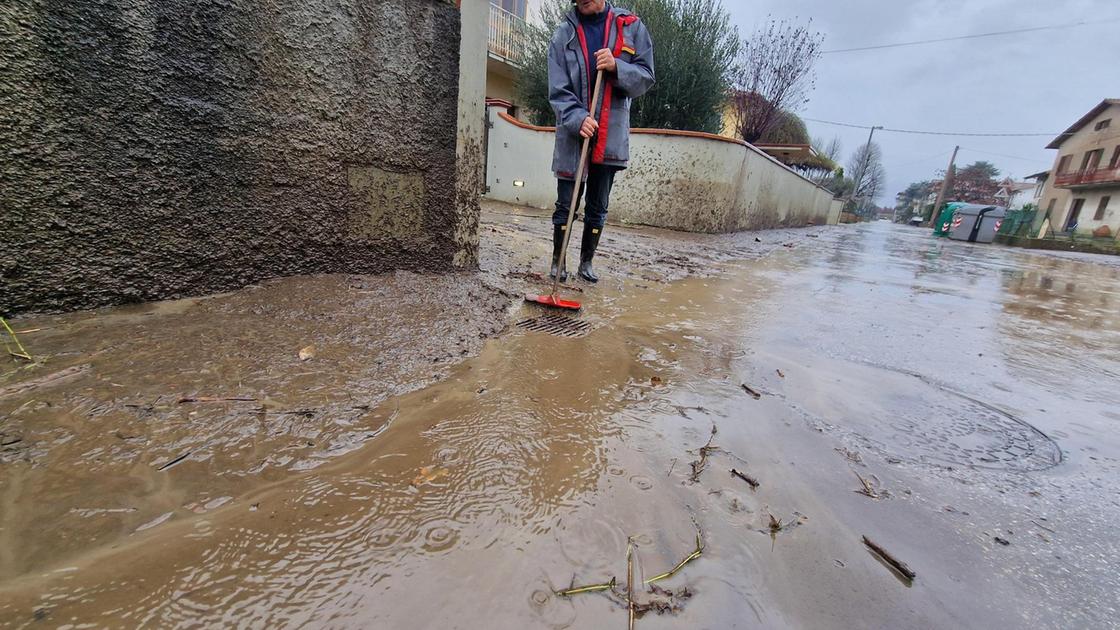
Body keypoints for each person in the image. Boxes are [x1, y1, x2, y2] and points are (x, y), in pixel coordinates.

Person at [547, 0, 655, 282]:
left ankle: (586, 263)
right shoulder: (563, 34)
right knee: (566, 202)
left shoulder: (630, 27)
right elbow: (557, 89)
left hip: (611, 134)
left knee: (598, 205)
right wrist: (576, 117)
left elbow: (646, 76)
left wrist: (618, 67)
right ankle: (558, 264)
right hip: (574, 135)